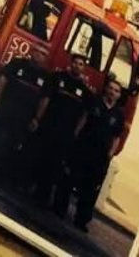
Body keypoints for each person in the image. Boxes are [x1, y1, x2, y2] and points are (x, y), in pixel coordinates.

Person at [60, 78, 126, 230]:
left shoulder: (119, 115)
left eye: (116, 91)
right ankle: (60, 209)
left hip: (100, 156)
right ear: (106, 89)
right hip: (83, 148)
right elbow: (83, 119)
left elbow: (117, 137)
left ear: (119, 95)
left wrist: (111, 153)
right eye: (111, 88)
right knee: (70, 178)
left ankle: (81, 220)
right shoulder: (94, 102)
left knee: (90, 190)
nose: (113, 92)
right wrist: (76, 137)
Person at [30, 54, 91, 210]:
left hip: (65, 134)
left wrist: (75, 133)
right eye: (76, 63)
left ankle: (43, 195)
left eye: (81, 64)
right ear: (71, 63)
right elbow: (46, 99)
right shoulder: (57, 77)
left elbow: (84, 115)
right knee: (38, 156)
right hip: (48, 126)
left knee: (54, 164)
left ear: (84, 68)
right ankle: (28, 186)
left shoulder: (85, 91)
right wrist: (37, 118)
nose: (78, 66)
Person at [0, 44, 51, 177]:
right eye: (37, 51)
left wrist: (37, 118)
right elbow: (3, 79)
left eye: (43, 54)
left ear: (45, 59)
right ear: (31, 52)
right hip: (7, 107)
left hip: (25, 116)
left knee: (13, 143)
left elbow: (44, 99)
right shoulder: (17, 63)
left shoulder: (46, 77)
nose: (39, 55)